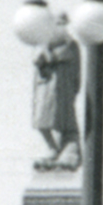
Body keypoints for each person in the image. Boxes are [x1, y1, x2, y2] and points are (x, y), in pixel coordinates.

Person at [32, 15, 81, 171]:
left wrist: (46, 55)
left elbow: (57, 57)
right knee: (41, 122)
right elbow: (37, 59)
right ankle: (54, 149)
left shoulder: (70, 44)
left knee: (63, 124)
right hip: (45, 91)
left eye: (61, 25)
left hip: (61, 92)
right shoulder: (43, 44)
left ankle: (67, 151)